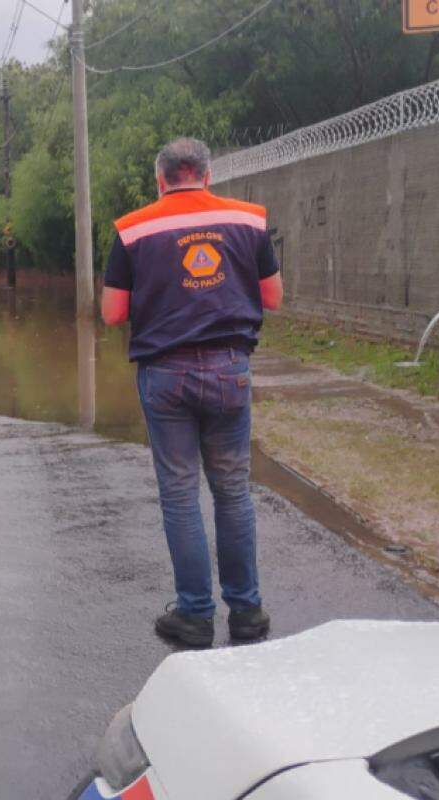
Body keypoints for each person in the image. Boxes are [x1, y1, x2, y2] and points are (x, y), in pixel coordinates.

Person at [101, 137, 284, 649]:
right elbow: (273, 297)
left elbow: (113, 313)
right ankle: (246, 612)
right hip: (231, 369)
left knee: (181, 495)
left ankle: (195, 616)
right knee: (232, 490)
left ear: (160, 179)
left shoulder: (133, 229)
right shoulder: (248, 221)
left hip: (165, 375)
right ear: (207, 175)